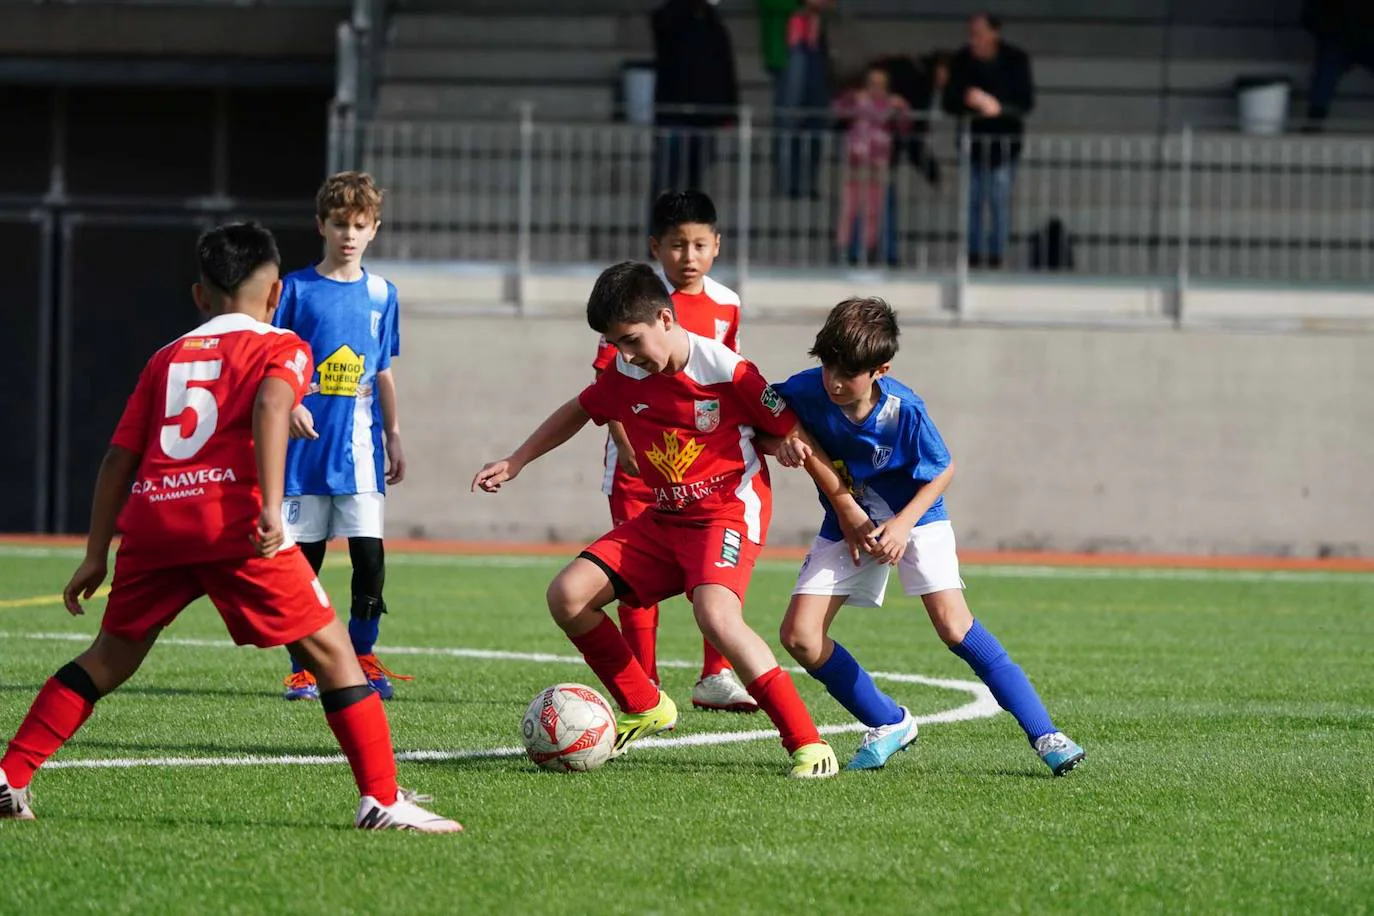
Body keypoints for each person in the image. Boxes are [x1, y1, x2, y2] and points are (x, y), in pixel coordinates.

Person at [0, 223, 460, 832]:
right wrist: (272, 504)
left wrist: (94, 555)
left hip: (155, 523)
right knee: (333, 652)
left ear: (199, 295)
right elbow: (272, 405)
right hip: (233, 526)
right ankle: (381, 798)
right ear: (275, 296)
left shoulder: (166, 357)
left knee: (110, 657)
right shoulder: (283, 345)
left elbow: (118, 458)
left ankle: (10, 775)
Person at [473, 261, 869, 778]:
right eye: (616, 344)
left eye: (632, 340)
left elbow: (795, 438)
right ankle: (645, 704)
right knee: (567, 596)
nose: (626, 355)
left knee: (717, 616)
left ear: (665, 318)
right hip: (665, 518)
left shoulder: (729, 370)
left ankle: (808, 743)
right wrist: (517, 459)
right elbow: (578, 409)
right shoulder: (626, 373)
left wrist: (846, 506)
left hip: (727, 514)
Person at [771, 296, 1085, 776]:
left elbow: (942, 470)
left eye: (848, 371)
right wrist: (783, 441)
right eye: (829, 364)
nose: (834, 380)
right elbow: (760, 414)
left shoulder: (904, 409)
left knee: (954, 627)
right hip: (847, 523)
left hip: (916, 516)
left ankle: (1047, 734)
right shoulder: (806, 390)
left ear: (880, 369)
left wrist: (901, 526)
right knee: (800, 637)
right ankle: (889, 722)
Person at [592, 191, 757, 714]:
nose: (688, 256)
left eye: (699, 244)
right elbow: (608, 381)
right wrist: (625, 445)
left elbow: (725, 377)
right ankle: (644, 684)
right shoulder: (634, 300)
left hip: (700, 467)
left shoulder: (727, 303)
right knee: (633, 582)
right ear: (656, 248)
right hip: (639, 463)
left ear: (716, 246)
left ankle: (716, 674)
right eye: (677, 245)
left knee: (710, 573)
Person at [275, 171, 409, 702]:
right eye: (339, 224)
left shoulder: (382, 294)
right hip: (305, 454)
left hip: (360, 451)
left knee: (369, 560)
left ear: (374, 229)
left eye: (359, 225)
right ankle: (302, 662)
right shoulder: (295, 290)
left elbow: (381, 370)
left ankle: (362, 651)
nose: (349, 234)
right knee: (301, 563)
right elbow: (275, 361)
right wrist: (289, 406)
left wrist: (395, 433)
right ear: (321, 226)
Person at [942, 12, 1034, 269]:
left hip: (1004, 146)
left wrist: (998, 106)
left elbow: (1025, 103)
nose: (975, 39)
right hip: (972, 145)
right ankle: (971, 255)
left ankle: (996, 256)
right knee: (971, 203)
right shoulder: (962, 60)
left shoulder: (1016, 60)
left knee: (999, 202)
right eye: (972, 34)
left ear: (995, 33)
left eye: (980, 33)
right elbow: (949, 102)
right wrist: (971, 102)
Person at [650, 0, 740, 195]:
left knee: (695, 185)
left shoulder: (715, 27)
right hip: (674, 116)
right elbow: (661, 23)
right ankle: (661, 225)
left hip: (704, 118)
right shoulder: (671, 20)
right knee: (666, 181)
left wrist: (729, 111)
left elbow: (725, 71)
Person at [833, 63, 911, 266]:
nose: (876, 88)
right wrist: (855, 100)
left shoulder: (890, 104)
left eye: (881, 84)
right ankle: (844, 250)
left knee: (873, 211)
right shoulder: (856, 98)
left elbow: (905, 127)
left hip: (878, 163)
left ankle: (867, 251)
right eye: (872, 83)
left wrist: (901, 107)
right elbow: (838, 111)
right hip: (856, 162)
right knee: (849, 208)